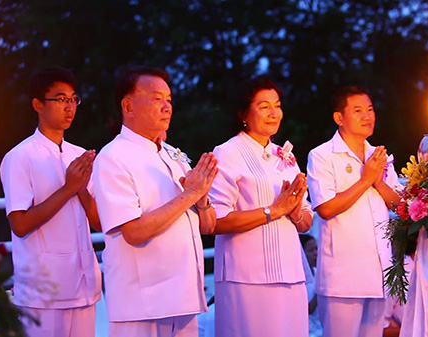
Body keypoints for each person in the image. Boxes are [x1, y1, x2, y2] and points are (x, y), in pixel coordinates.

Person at [93, 67, 217, 336]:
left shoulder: (173, 154)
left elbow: (208, 226)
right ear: (128, 106)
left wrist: (203, 197)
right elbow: (134, 231)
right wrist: (190, 195)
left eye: (169, 99)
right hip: (142, 304)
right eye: (156, 98)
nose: (166, 106)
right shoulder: (113, 157)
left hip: (184, 297)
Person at [0, 67, 102, 336]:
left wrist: (80, 189)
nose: (69, 107)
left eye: (73, 99)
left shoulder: (79, 155)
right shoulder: (20, 157)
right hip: (43, 291)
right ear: (38, 105)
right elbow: (19, 224)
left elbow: (97, 221)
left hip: (84, 284)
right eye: (60, 99)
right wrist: (69, 188)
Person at [208, 76, 313, 337]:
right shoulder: (227, 152)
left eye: (277, 105)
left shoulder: (285, 156)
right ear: (244, 113)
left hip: (289, 272)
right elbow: (216, 221)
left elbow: (306, 219)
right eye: (264, 105)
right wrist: (274, 210)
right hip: (246, 276)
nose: (273, 112)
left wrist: (295, 210)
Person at [306, 85, 401, 337]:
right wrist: (365, 179)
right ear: (339, 118)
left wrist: (377, 180)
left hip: (379, 272)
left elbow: (400, 206)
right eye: (358, 110)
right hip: (343, 276)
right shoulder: (322, 155)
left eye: (370, 110)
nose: (367, 116)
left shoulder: (379, 155)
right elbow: (325, 208)